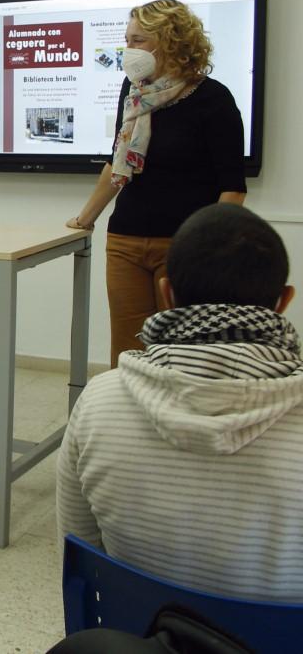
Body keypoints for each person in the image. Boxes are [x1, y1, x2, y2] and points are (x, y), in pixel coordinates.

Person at [57, 203, 303, 601]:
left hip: (138, 629)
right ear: (284, 301)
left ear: (166, 293)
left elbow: (78, 560)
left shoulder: (99, 402)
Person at [67, 0, 247, 367]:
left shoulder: (213, 98)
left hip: (184, 245)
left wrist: (206, 249)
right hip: (125, 239)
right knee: (128, 350)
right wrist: (85, 219)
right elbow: (118, 161)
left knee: (180, 351)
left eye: (138, 40)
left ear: (170, 41)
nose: (128, 50)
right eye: (127, 40)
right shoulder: (134, 90)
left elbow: (233, 188)